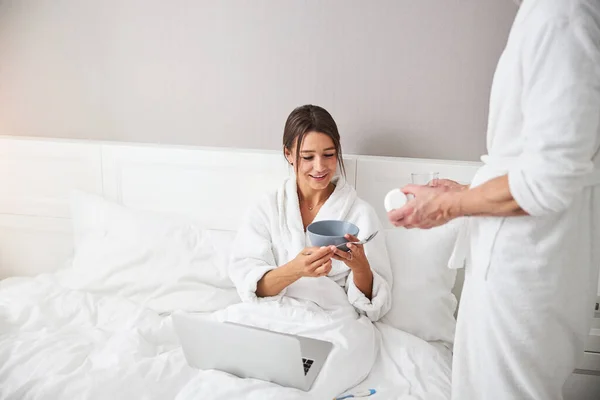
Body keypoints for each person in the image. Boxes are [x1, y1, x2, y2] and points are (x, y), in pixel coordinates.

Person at [388, 1, 600, 399]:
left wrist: (446, 206)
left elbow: (548, 179)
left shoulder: (563, 15)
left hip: (526, 266)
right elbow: (545, 161)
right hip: (526, 256)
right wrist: (465, 194)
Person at [223, 104, 392, 398]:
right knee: (226, 360)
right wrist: (295, 270)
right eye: (307, 156)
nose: (320, 167)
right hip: (273, 316)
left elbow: (372, 306)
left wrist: (360, 267)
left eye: (329, 155)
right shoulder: (266, 208)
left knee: (317, 377)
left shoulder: (360, 213)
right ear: (288, 154)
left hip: (331, 322)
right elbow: (250, 284)